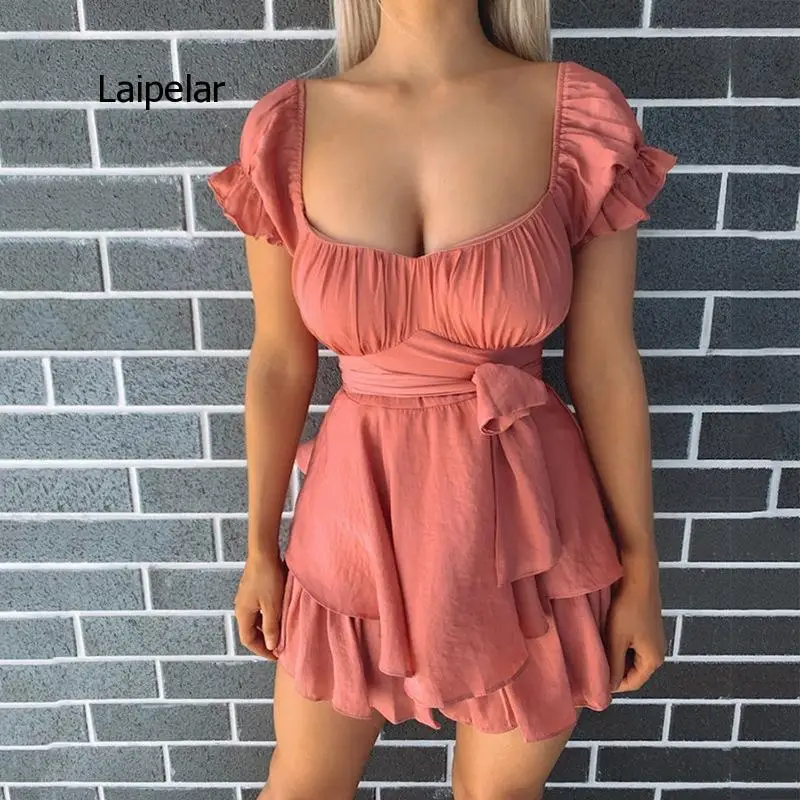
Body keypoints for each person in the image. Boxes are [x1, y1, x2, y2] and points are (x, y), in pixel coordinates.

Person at [208, 1, 677, 797]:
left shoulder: (578, 117)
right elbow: (281, 362)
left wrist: (642, 570)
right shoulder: (286, 129)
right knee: (303, 785)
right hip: (357, 519)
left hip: (528, 527)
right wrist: (258, 549)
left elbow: (603, 364)